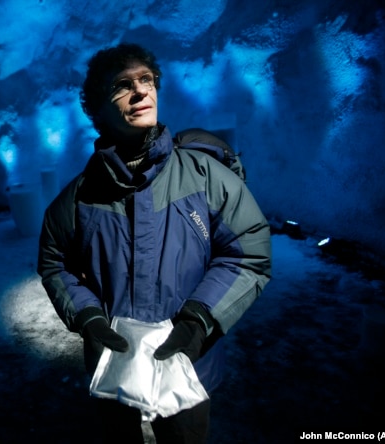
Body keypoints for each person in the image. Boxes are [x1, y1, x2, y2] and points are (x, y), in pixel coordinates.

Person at [37, 43, 272, 443]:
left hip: (186, 364)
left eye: (147, 79)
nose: (141, 91)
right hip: (115, 365)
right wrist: (89, 318)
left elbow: (248, 253)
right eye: (123, 85)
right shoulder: (77, 199)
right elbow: (55, 263)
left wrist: (199, 320)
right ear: (98, 108)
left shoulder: (206, 178)